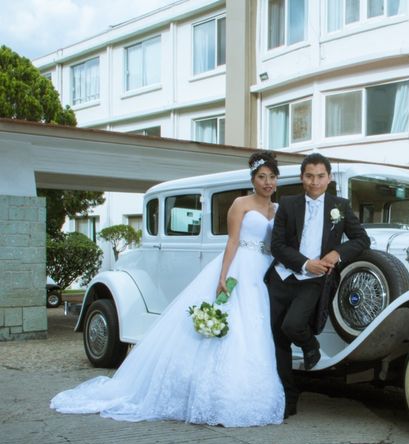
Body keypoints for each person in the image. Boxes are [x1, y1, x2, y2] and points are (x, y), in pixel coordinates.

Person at [50, 151, 285, 427]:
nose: (267, 182)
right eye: (261, 177)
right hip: (239, 267)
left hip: (263, 269)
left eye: (271, 177)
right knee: (233, 327)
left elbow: (276, 244)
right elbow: (232, 242)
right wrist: (224, 275)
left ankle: (253, 390)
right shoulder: (240, 204)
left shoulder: (276, 210)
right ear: (253, 179)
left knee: (256, 330)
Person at [266, 153, 370, 418]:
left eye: (320, 176)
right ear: (302, 178)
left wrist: (337, 254)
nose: (315, 182)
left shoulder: (341, 206)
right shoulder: (287, 204)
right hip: (282, 277)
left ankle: (311, 346)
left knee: (292, 325)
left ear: (329, 178)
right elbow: (277, 246)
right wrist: (304, 263)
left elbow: (361, 239)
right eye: (309, 176)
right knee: (279, 341)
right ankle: (288, 400)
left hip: (314, 282)